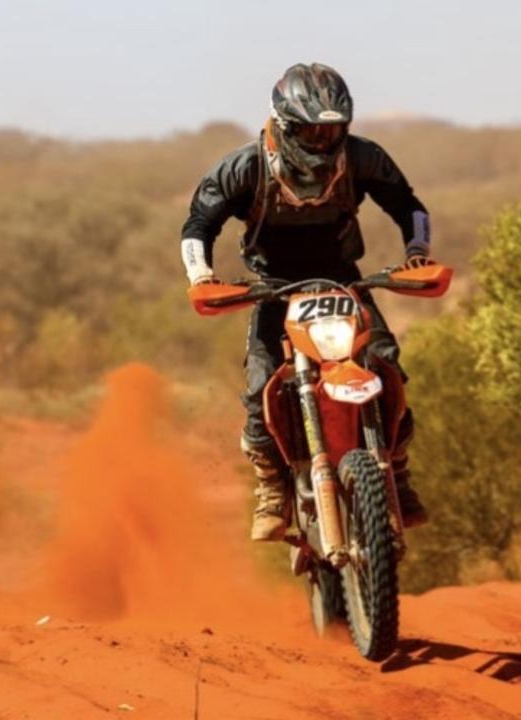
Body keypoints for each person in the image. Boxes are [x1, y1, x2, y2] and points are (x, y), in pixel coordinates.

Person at [181, 62, 432, 541]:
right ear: (285, 124)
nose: (321, 140)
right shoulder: (246, 166)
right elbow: (198, 224)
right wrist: (202, 275)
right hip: (271, 286)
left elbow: (408, 205)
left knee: (385, 364)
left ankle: (395, 469)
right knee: (260, 386)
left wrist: (417, 253)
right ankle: (272, 486)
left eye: (332, 130)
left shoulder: (361, 158)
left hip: (342, 281)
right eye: (311, 129)